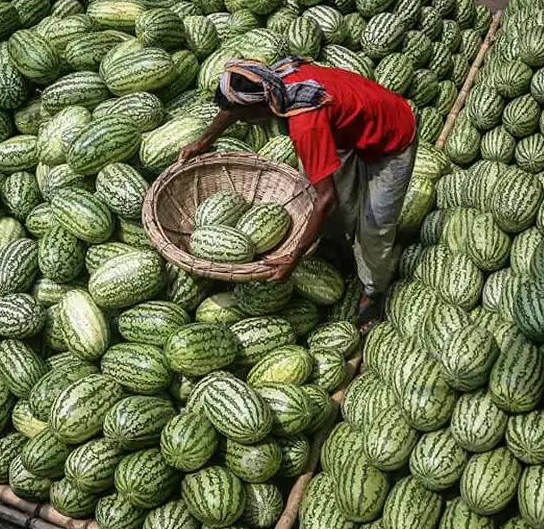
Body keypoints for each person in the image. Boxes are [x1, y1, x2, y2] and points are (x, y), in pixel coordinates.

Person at [179, 56, 418, 331]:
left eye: (246, 118)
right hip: (344, 128)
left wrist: (295, 256)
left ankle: (372, 292)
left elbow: (326, 200)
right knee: (334, 202)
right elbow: (233, 107)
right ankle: (340, 247)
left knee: (374, 225)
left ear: (259, 108)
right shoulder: (271, 79)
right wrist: (201, 143)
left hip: (392, 137)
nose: (246, 123)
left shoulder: (305, 123)